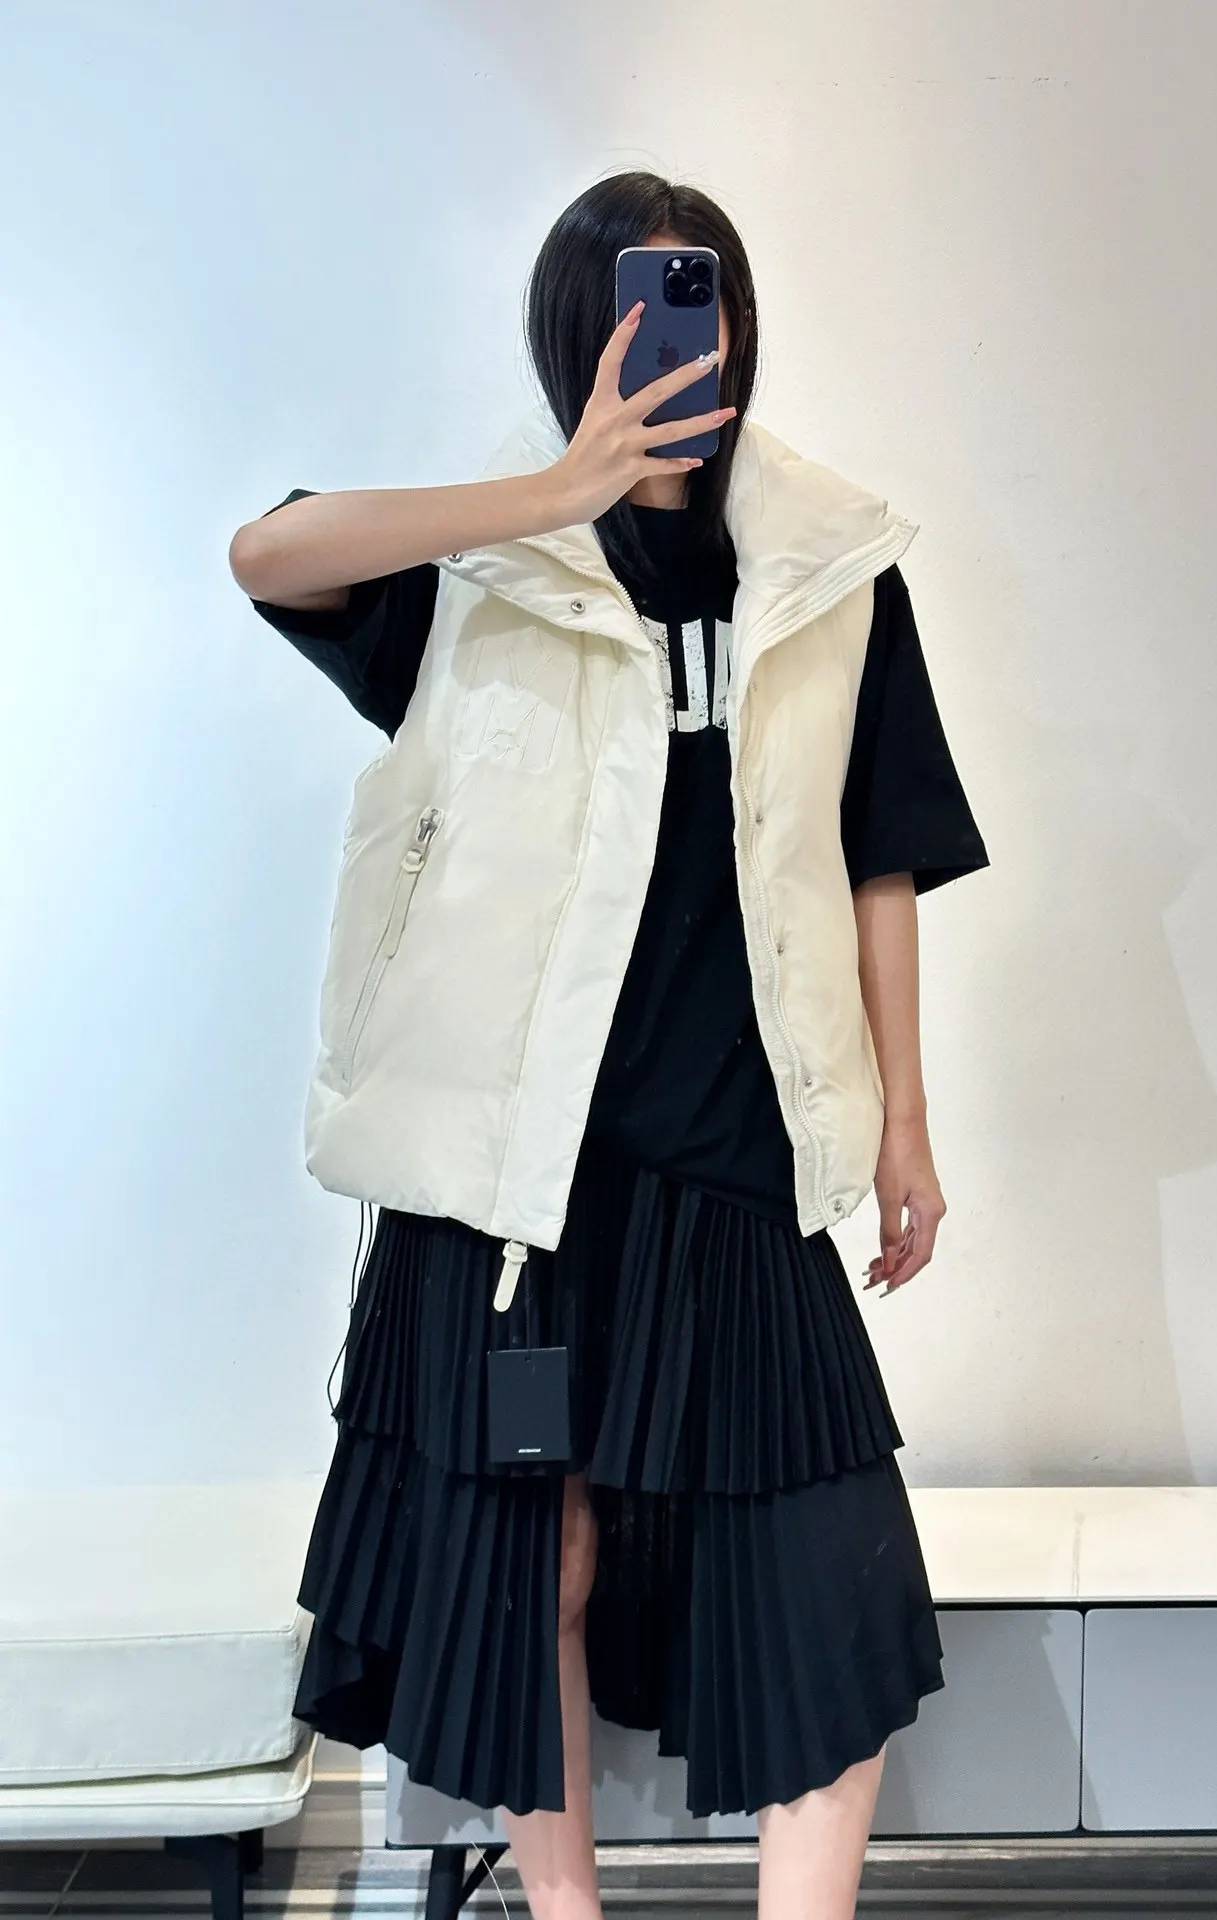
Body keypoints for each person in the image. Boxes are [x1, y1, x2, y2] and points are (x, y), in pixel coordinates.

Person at [228, 171, 990, 1920]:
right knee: (537, 1565)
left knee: (831, 1582)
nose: (680, 343)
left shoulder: (830, 567)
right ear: (582, 333)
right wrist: (557, 491)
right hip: (520, 1172)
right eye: (642, 308)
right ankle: (563, 1912)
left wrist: (905, 1124)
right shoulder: (483, 569)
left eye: (705, 303)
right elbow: (264, 555)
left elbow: (882, 855)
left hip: (739, 1144)